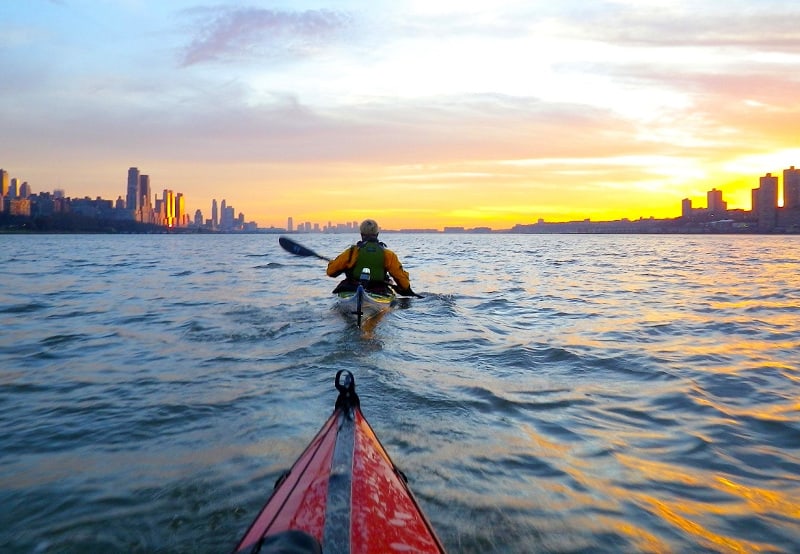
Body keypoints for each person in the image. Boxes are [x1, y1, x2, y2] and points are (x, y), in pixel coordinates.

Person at [327, 219, 413, 295]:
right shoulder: (389, 255)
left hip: (353, 288)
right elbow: (404, 284)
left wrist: (335, 264)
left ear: (361, 234)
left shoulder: (351, 252)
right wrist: (406, 288)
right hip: (378, 290)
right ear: (377, 234)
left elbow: (331, 272)